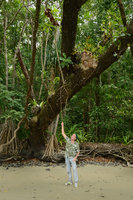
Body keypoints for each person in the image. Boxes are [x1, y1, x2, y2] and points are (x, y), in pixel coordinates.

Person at [61, 122, 80, 188]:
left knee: (74, 169)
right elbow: (63, 133)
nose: (72, 136)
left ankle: (76, 182)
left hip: (73, 158)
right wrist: (62, 125)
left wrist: (75, 158)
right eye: (72, 135)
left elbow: (78, 152)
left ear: (75, 138)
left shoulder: (76, 144)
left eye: (74, 136)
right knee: (68, 170)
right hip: (67, 157)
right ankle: (70, 181)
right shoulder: (68, 140)